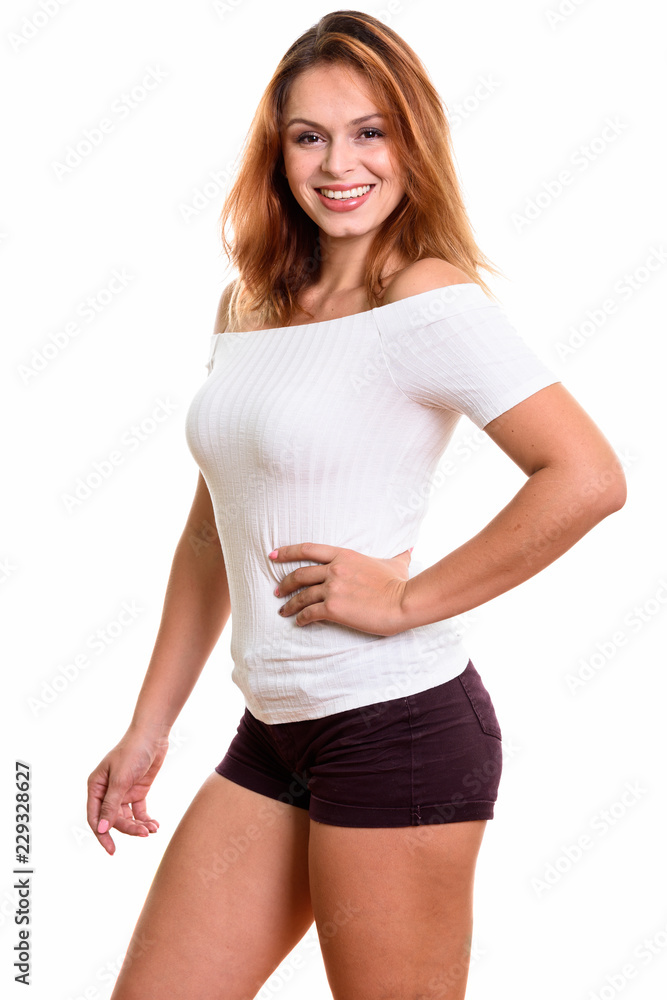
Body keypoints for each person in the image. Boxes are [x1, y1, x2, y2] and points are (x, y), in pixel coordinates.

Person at [86, 11, 627, 1000]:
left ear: (410, 143)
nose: (340, 164)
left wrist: (406, 599)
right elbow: (210, 531)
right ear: (277, 151)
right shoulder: (249, 304)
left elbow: (585, 475)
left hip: (398, 729)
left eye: (369, 132)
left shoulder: (424, 298)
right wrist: (148, 727)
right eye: (310, 136)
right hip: (276, 729)